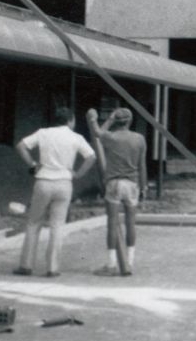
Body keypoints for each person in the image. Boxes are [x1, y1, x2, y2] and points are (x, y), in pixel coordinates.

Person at [13, 107, 96, 278]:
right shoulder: (75, 137)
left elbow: (21, 146)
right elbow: (91, 156)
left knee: (34, 222)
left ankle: (26, 265)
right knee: (57, 225)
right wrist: (78, 173)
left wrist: (33, 164)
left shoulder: (44, 133)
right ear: (70, 120)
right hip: (64, 182)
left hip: (44, 180)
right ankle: (52, 267)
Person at [86, 106, 147, 276]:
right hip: (133, 183)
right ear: (130, 121)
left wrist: (106, 118)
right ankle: (129, 263)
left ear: (117, 122)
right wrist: (144, 186)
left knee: (112, 224)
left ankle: (112, 264)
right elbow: (142, 165)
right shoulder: (139, 139)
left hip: (114, 183)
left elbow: (98, 133)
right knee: (130, 223)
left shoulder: (111, 137)